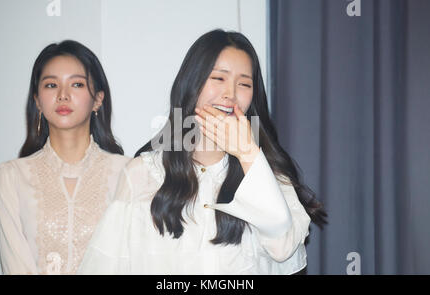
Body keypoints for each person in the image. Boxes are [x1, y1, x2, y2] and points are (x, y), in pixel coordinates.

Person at [78, 29, 326, 275]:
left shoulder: (265, 173)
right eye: (219, 78)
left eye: (244, 83)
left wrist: (247, 152)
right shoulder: (143, 173)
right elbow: (104, 264)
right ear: (192, 83)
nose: (230, 94)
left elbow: (282, 247)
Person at [0, 40, 130, 274]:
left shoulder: (128, 174)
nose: (63, 95)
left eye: (76, 84)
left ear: (97, 99)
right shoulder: (11, 177)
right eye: (50, 85)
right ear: (37, 100)